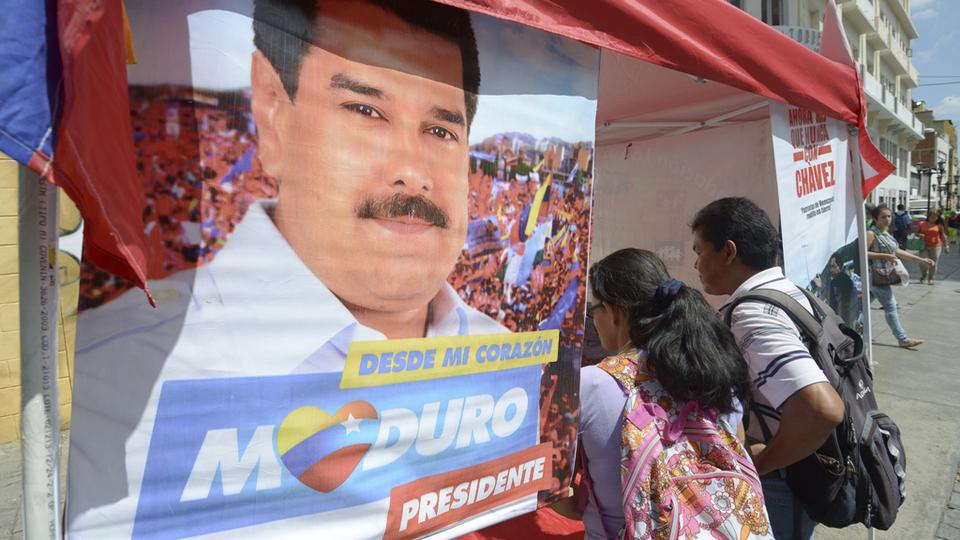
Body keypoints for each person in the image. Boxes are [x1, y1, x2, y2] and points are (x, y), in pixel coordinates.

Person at [68, 2, 519, 537]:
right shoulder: (109, 379)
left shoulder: (506, 359)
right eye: (365, 111)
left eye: (441, 131)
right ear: (272, 112)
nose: (412, 173)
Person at [691, 197, 844, 540]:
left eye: (699, 251)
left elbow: (822, 408)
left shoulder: (752, 314)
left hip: (781, 481)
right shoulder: (789, 291)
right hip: (803, 470)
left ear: (728, 252)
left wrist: (759, 465)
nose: (696, 264)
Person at [579, 248, 758, 539]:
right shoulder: (713, 368)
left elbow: (564, 502)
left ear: (614, 311)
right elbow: (738, 444)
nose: (593, 319)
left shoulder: (592, 384)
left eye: (593, 308)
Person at [867, 204, 934, 347]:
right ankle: (903, 339)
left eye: (889, 216)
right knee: (891, 307)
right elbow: (863, 253)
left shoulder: (885, 234)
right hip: (875, 276)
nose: (887, 219)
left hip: (883, 275)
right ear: (875, 218)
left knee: (861, 306)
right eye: (883, 217)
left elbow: (897, 252)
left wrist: (921, 260)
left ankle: (851, 331)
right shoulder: (871, 234)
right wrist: (884, 256)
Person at [917, 209, 949, 284]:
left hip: (936, 246)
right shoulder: (922, 223)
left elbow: (943, 236)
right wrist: (919, 235)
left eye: (936, 216)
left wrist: (946, 246)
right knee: (923, 262)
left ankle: (931, 278)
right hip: (923, 246)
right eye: (932, 216)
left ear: (938, 217)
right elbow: (916, 233)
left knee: (933, 263)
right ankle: (924, 275)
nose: (934, 218)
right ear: (929, 216)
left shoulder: (939, 225)